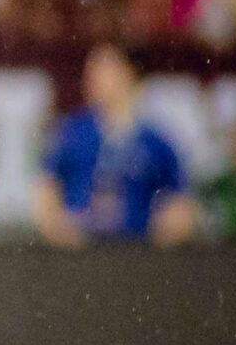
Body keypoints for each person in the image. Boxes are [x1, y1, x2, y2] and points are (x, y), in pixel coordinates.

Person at [33, 43, 199, 245]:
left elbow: (181, 205)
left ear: (128, 72)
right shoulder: (72, 134)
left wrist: (160, 236)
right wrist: (60, 229)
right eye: (90, 70)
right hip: (79, 254)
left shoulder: (156, 142)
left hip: (136, 254)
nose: (91, 77)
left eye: (102, 68)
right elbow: (46, 190)